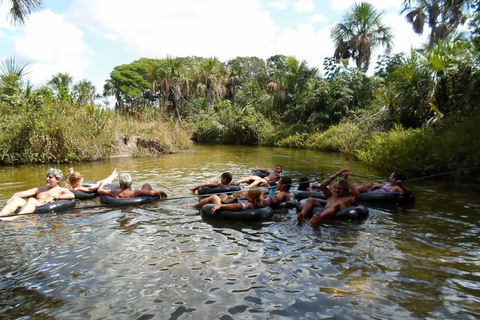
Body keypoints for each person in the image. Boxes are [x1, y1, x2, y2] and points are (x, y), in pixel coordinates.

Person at [0, 168, 75, 217]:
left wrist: (54, 197)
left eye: (50, 177)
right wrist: (12, 198)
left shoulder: (61, 190)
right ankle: (1, 215)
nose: (47, 179)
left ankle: (16, 217)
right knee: (16, 199)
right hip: (33, 205)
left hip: (43, 206)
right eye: (47, 177)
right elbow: (19, 194)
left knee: (32, 200)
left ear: (58, 180)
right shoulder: (39, 189)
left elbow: (71, 195)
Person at [186, 188, 269, 213]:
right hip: (227, 202)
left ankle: (193, 206)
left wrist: (220, 206)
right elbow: (270, 199)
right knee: (224, 195)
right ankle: (207, 202)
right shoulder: (264, 201)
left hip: (224, 207)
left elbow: (239, 206)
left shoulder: (248, 204)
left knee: (214, 197)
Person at [97, 173, 167, 199]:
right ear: (131, 184)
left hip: (120, 197)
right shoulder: (136, 192)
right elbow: (156, 193)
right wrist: (162, 193)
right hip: (134, 196)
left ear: (120, 184)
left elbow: (99, 190)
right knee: (146, 184)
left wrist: (103, 183)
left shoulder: (114, 192)